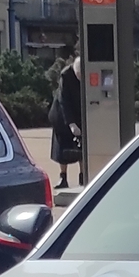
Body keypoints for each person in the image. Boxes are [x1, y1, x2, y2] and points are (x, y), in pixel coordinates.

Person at [48, 52, 83, 187]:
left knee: (83, 146)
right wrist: (71, 123)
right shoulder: (66, 75)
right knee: (62, 147)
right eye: (79, 75)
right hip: (61, 115)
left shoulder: (88, 71)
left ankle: (83, 177)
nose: (80, 77)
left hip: (80, 112)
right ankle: (63, 178)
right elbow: (64, 101)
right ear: (75, 70)